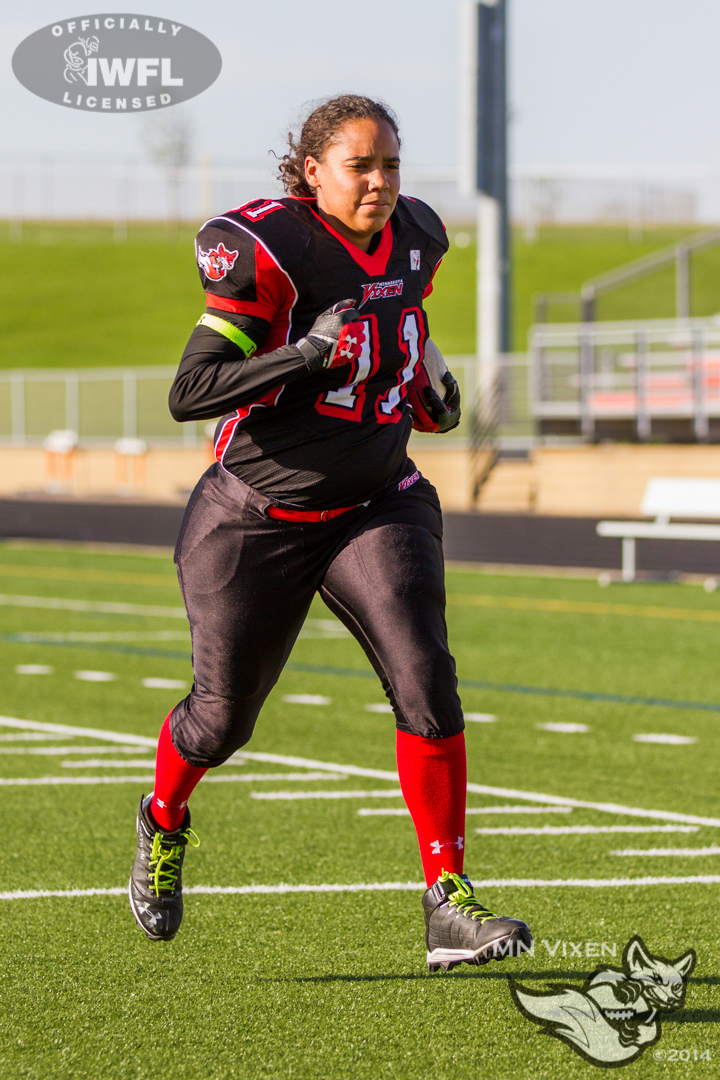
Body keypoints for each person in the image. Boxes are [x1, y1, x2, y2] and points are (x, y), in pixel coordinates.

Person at [128, 94, 532, 971]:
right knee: (220, 721)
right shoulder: (271, 250)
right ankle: (163, 820)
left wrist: (436, 392)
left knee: (427, 679)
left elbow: (414, 370)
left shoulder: (419, 237)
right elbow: (191, 393)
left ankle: (448, 899)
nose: (382, 182)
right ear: (313, 173)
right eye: (361, 165)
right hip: (256, 514)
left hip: (378, 501)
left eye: (391, 163)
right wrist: (304, 354)